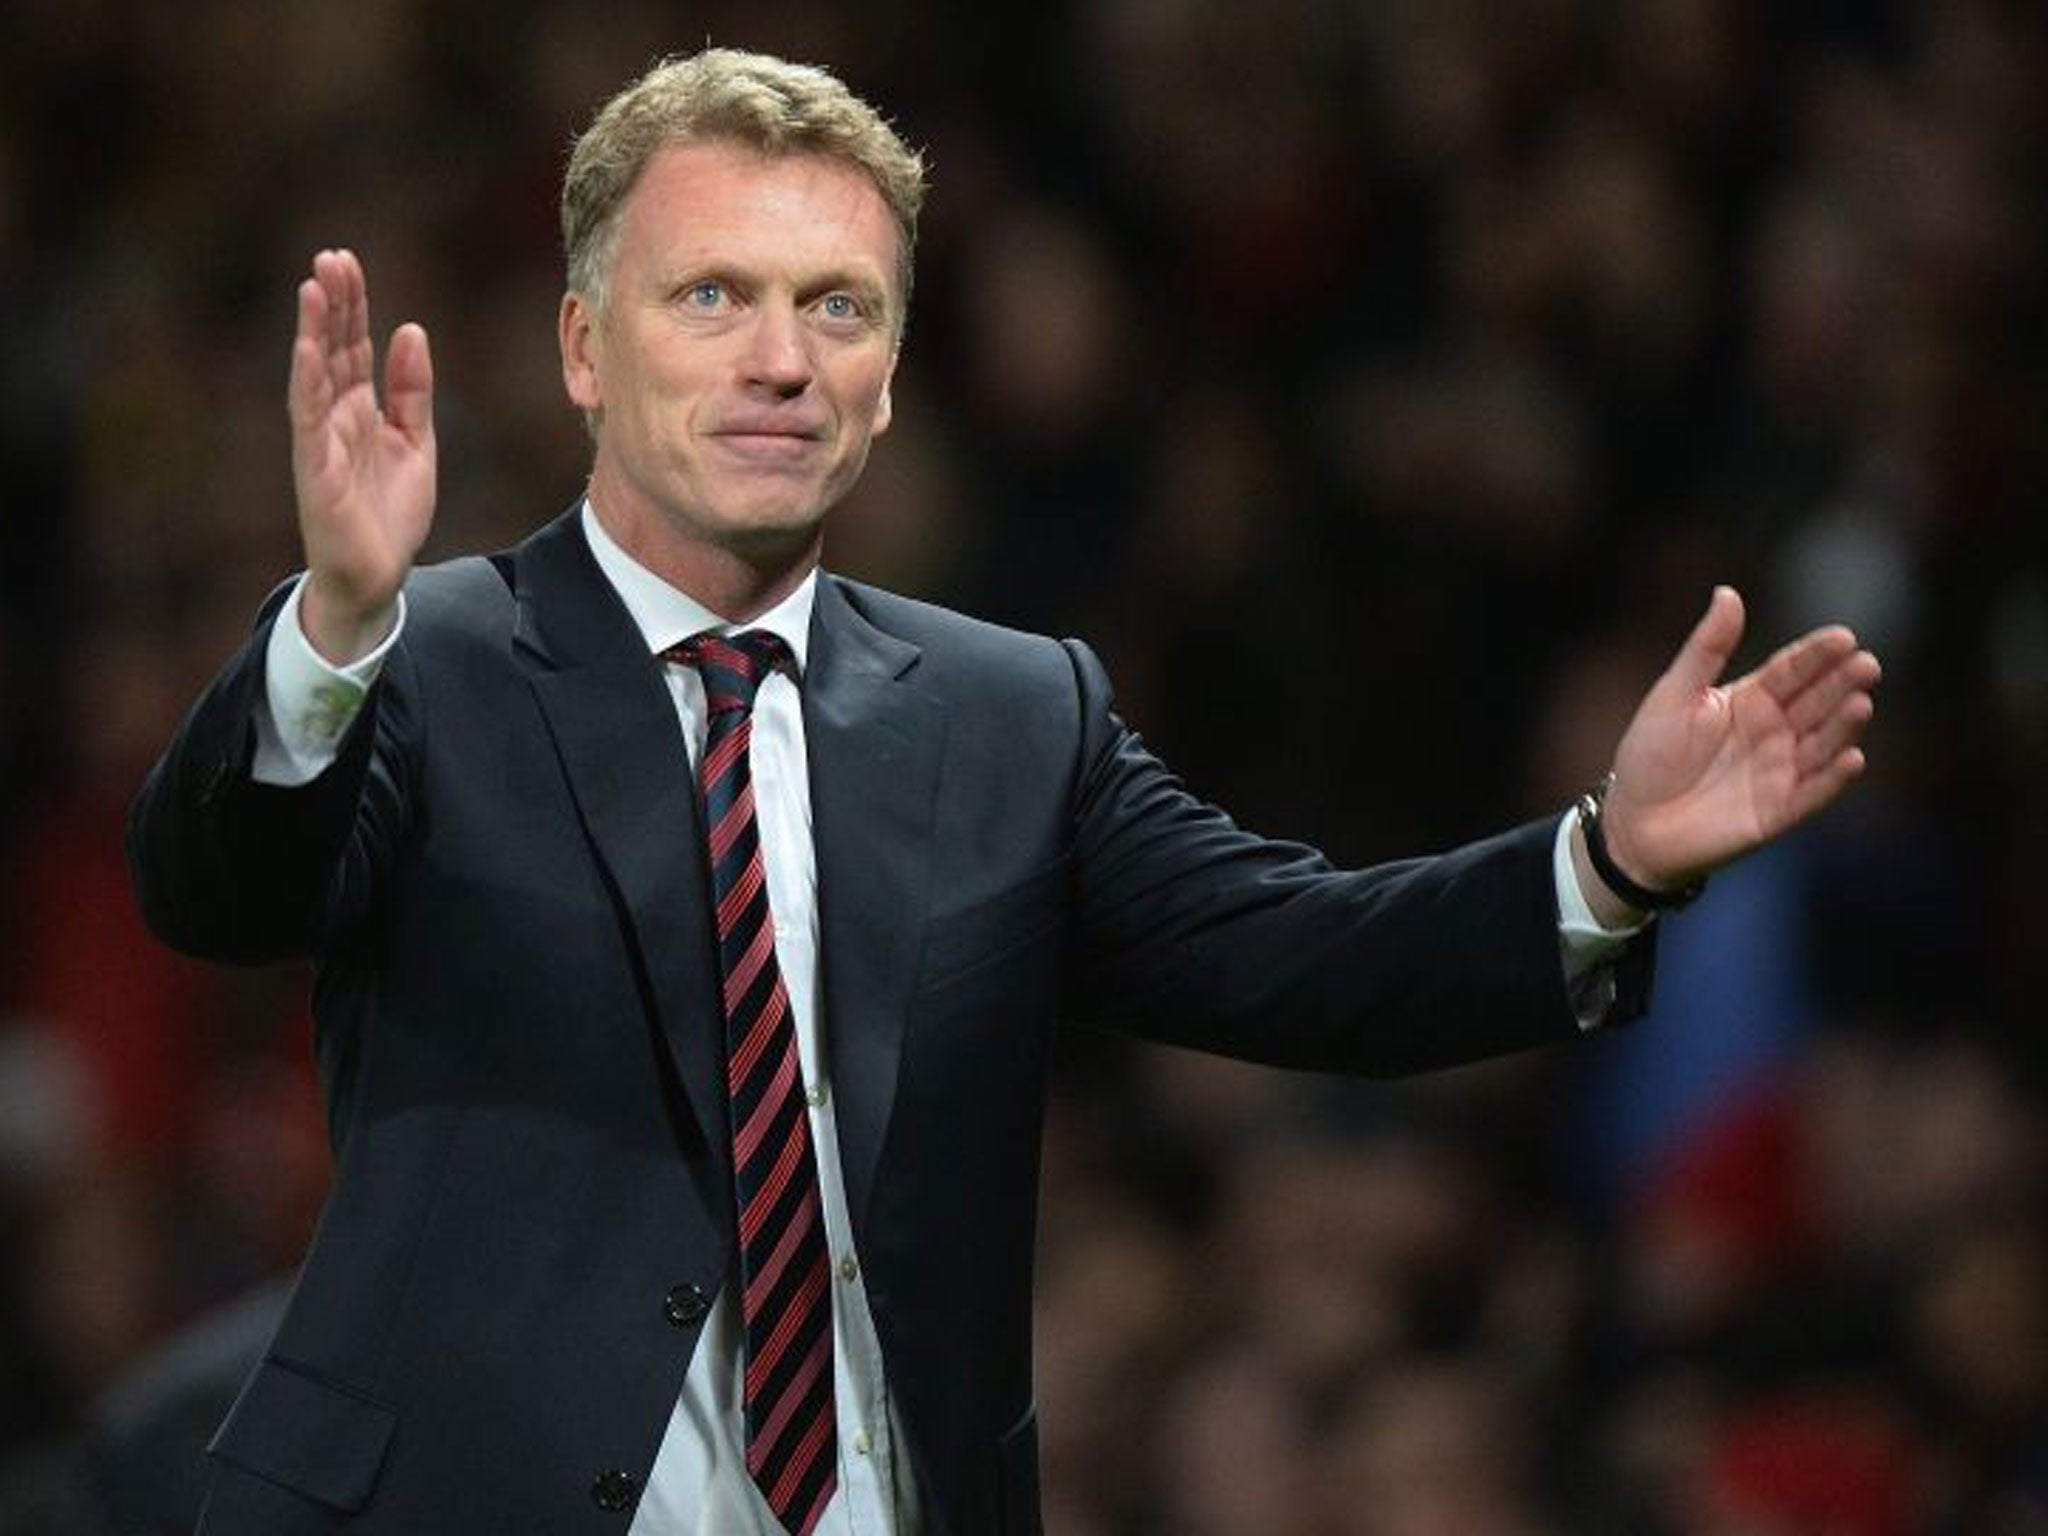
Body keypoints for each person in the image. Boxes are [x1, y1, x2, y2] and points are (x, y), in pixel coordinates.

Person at [126, 47, 1880, 1536]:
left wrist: (1612, 859)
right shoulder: (424, 664)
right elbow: (218, 888)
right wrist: (338, 624)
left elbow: (1312, 962)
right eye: (712, 296)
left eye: (839, 307)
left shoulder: (1009, 711)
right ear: (587, 349)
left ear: (890, 381)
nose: (781, 358)